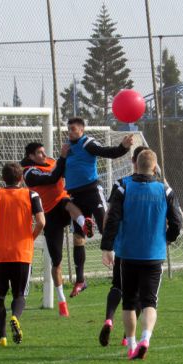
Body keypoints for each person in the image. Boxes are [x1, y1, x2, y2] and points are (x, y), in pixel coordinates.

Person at [101, 150, 182, 359]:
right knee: (149, 302)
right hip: (154, 254)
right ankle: (146, 338)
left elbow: (112, 219)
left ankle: (131, 345)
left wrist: (107, 247)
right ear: (154, 168)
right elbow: (176, 222)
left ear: (135, 164)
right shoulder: (165, 190)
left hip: (128, 253)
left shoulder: (123, 187)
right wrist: (168, 238)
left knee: (128, 301)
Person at [0, 162, 45, 346]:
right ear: (21, 178)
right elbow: (41, 222)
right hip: (21, 252)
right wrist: (30, 237)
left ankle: (2, 337)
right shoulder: (31, 195)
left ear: (3, 178)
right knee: (19, 294)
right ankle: (15, 317)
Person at [20, 142, 94, 317]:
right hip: (49, 214)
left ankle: (84, 223)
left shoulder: (53, 161)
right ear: (31, 156)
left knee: (68, 204)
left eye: (44, 152)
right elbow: (52, 178)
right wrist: (62, 158)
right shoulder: (29, 172)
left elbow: (67, 170)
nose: (44, 155)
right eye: (39, 153)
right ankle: (62, 302)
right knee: (57, 261)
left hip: (62, 202)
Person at [64, 117, 135, 297]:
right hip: (75, 195)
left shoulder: (87, 142)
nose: (69, 131)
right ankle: (80, 280)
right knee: (78, 237)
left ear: (81, 130)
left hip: (92, 191)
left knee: (107, 228)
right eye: (68, 128)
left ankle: (124, 271)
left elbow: (107, 152)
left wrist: (123, 147)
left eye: (72, 129)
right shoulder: (67, 146)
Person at [99, 145, 148, 347]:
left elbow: (109, 215)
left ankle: (109, 318)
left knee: (117, 286)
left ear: (132, 161)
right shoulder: (157, 186)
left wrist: (107, 245)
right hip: (147, 248)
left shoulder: (121, 184)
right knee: (137, 293)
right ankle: (127, 336)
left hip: (122, 246)